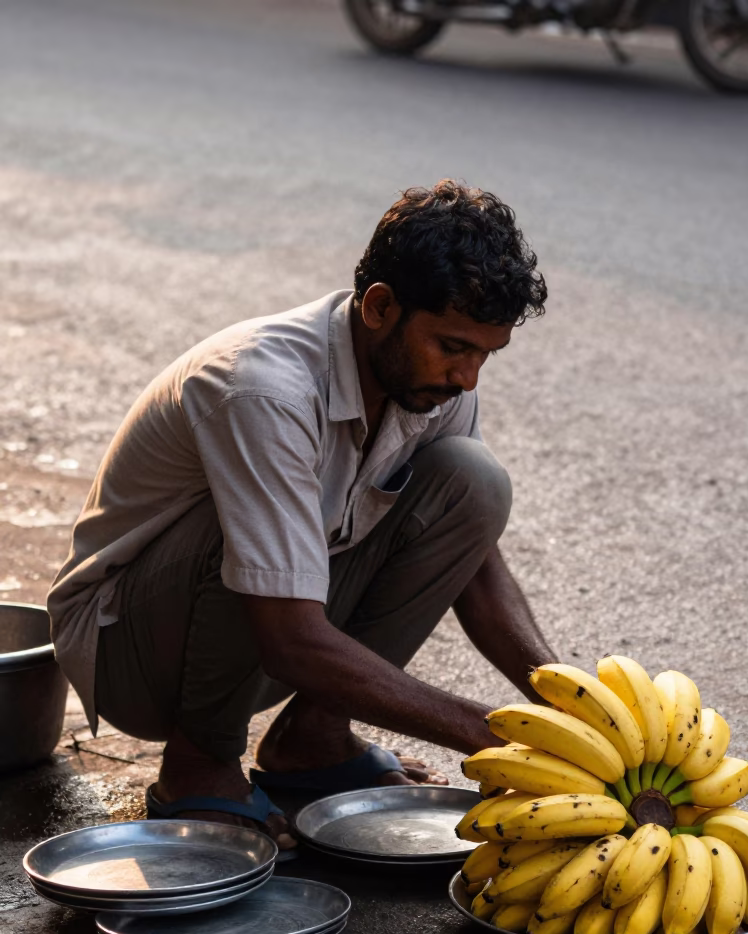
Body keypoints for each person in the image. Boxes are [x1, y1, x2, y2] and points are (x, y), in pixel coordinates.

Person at [47, 179, 559, 853]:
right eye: (454, 347)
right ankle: (198, 760)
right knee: (255, 541)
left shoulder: (429, 386)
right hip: (130, 646)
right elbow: (289, 636)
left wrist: (564, 706)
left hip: (256, 626)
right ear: (380, 308)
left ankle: (313, 739)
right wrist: (487, 734)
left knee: (473, 484)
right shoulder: (262, 388)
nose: (468, 378)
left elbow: (476, 567)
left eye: (484, 356)